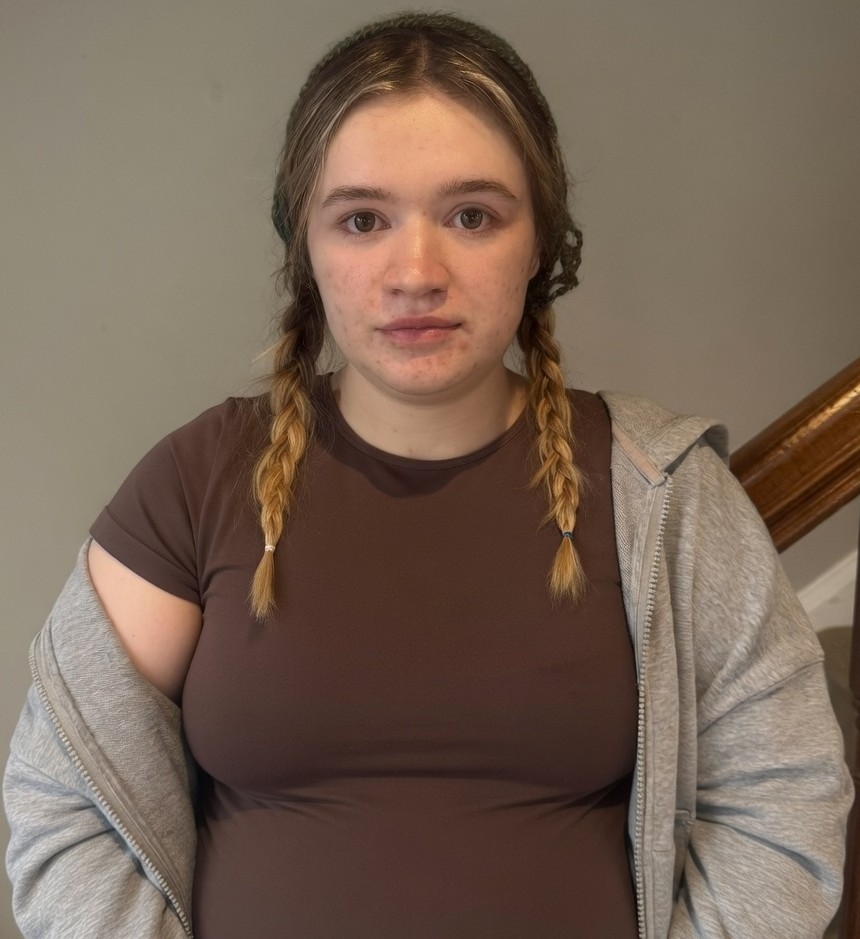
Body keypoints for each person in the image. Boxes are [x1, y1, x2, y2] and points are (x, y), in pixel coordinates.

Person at [3, 12, 852, 939]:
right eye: (363, 219)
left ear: (539, 241)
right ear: (307, 248)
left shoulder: (665, 490)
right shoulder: (195, 481)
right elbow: (64, 798)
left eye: (472, 216)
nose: (416, 271)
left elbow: (782, 800)